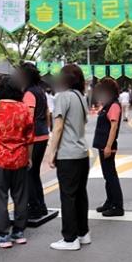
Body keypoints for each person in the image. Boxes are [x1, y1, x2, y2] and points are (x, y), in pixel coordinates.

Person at [0, 76, 34, 248]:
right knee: (20, 196)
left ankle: (3, 234)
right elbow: (30, 138)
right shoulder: (24, 108)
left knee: (0, 196)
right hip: (20, 158)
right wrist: (29, 157)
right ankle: (18, 232)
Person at [46, 64, 90, 251]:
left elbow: (58, 127)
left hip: (68, 155)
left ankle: (70, 239)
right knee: (80, 194)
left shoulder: (63, 97)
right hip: (82, 153)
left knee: (68, 196)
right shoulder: (81, 97)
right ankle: (83, 233)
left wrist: (51, 152)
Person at [13, 63, 51, 219]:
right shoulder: (40, 91)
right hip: (42, 134)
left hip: (33, 137)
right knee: (34, 173)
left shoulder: (29, 93)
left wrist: (22, 137)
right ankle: (40, 205)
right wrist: (46, 130)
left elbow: (27, 117)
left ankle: (34, 207)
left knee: (28, 173)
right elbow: (47, 112)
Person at [93, 77, 124, 217]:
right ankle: (110, 201)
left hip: (107, 146)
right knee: (108, 175)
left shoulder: (114, 106)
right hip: (103, 145)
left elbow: (113, 127)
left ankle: (117, 206)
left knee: (111, 176)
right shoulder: (108, 104)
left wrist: (108, 146)